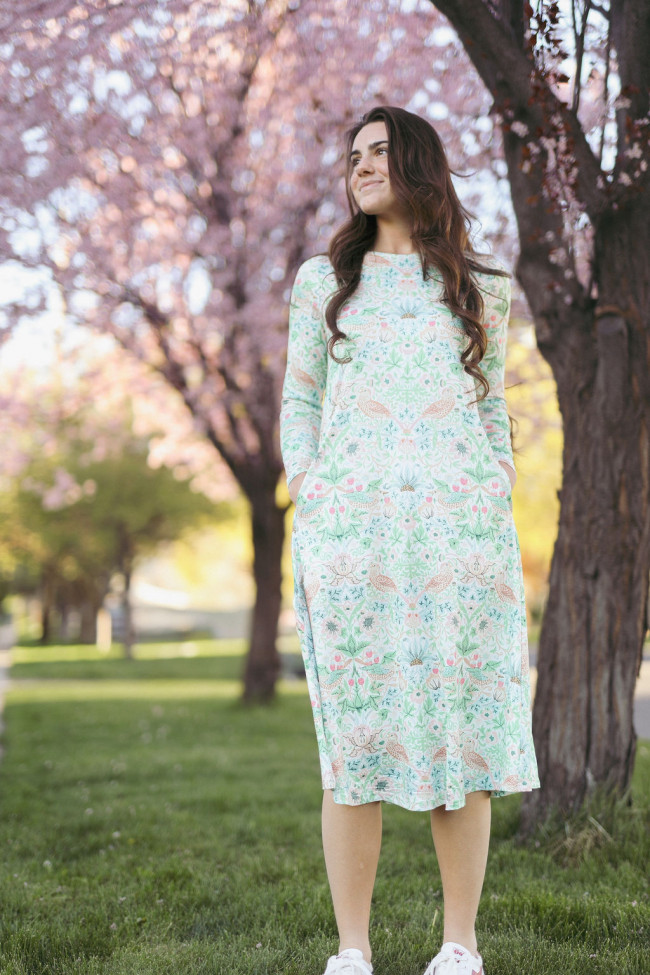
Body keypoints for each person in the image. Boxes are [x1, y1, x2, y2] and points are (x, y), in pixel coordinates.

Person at [279, 105, 539, 975]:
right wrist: (311, 487)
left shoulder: (483, 285)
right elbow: (300, 399)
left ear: (419, 163)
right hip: (351, 542)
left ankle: (460, 944)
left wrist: (496, 479)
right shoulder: (323, 282)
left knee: (457, 741)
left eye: (378, 151)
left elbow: (491, 401)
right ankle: (351, 949)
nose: (359, 165)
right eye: (352, 154)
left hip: (460, 545)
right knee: (354, 747)